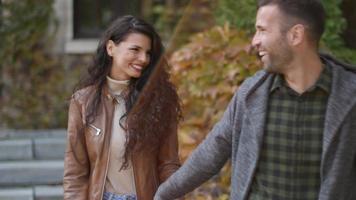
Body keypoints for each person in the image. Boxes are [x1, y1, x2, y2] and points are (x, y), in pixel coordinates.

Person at [154, 0, 356, 199]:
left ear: (296, 35)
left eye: (262, 30)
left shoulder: (349, 97)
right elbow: (211, 153)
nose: (254, 41)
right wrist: (163, 194)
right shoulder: (252, 94)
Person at [63, 15, 181, 200]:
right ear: (111, 48)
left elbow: (168, 165)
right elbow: (75, 172)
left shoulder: (159, 101)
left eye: (148, 53)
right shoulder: (82, 101)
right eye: (135, 50)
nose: (143, 59)